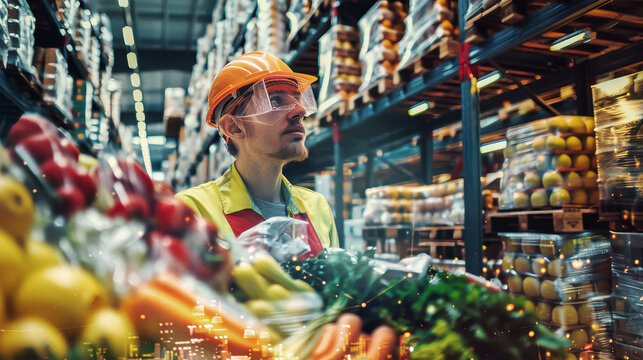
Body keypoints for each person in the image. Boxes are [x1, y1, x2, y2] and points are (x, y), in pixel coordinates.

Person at [176, 52, 339, 256]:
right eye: (276, 100)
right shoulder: (193, 210)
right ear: (233, 127)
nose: (299, 111)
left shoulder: (317, 207)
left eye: (298, 100)